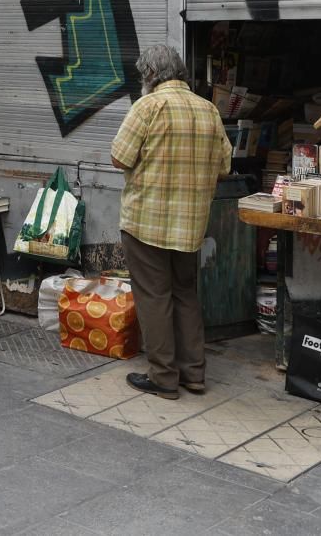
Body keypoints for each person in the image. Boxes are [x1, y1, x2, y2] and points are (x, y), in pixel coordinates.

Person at [110, 44, 232, 400]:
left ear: (150, 76)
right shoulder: (208, 109)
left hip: (146, 221)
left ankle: (164, 377)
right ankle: (194, 374)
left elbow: (120, 157)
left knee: (153, 297)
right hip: (190, 224)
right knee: (185, 294)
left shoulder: (147, 106)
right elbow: (224, 166)